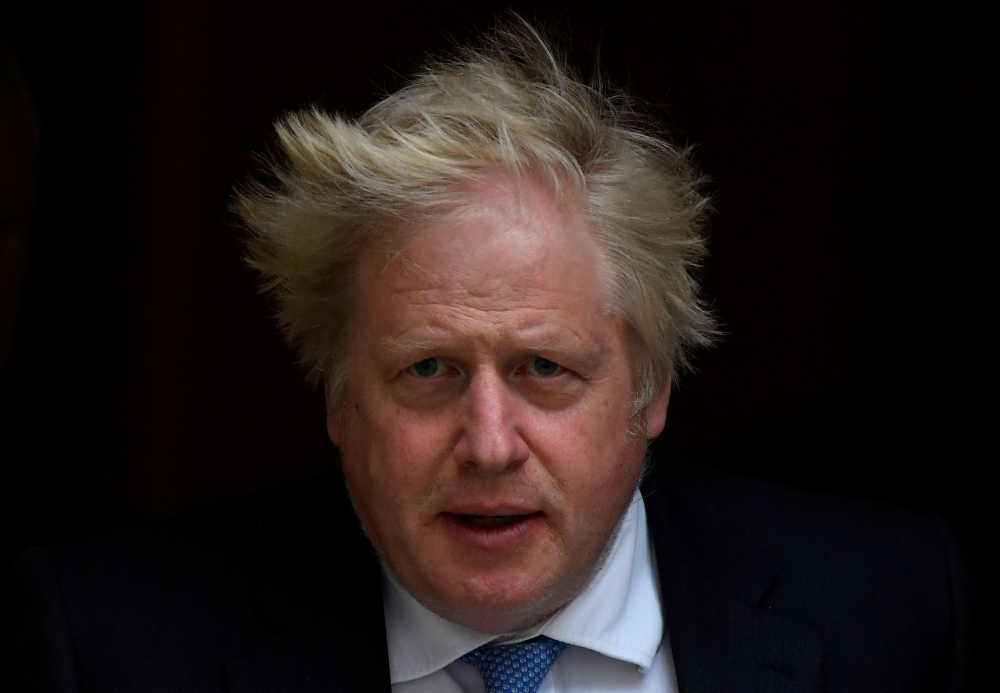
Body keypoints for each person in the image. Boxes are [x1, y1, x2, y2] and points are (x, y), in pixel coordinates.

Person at [1, 21, 977, 693]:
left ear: (650, 385)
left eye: (544, 369)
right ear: (337, 399)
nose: (489, 442)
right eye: (426, 371)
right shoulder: (111, 647)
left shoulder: (888, 611)